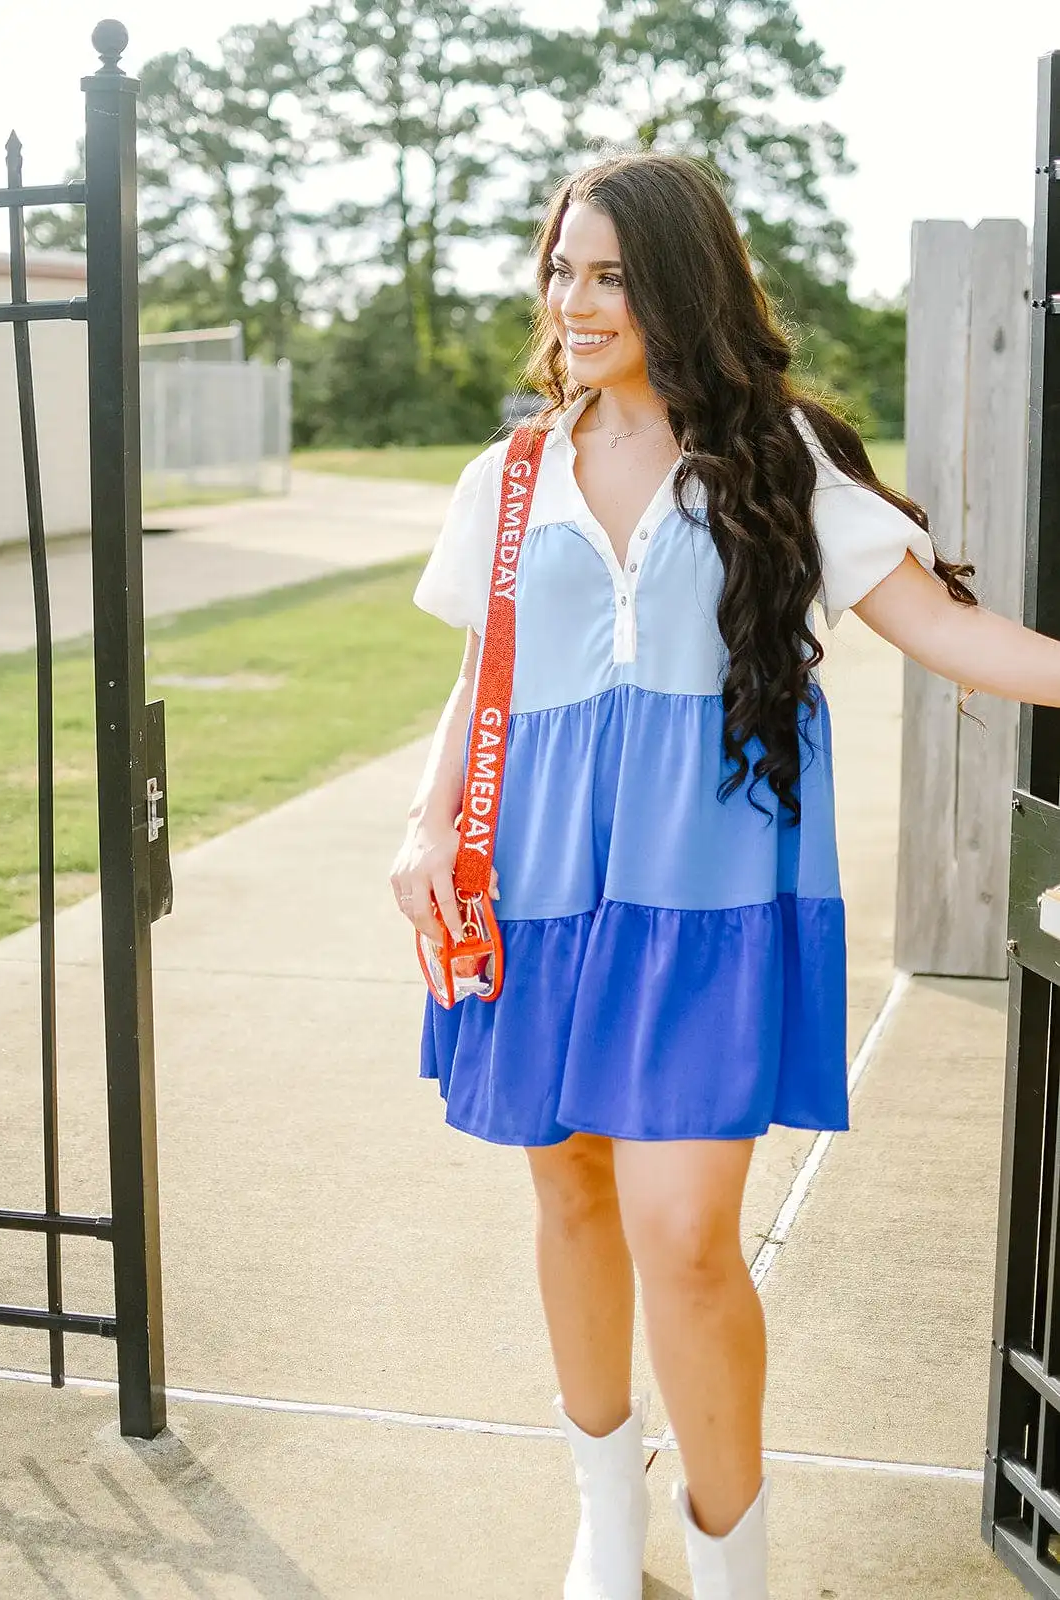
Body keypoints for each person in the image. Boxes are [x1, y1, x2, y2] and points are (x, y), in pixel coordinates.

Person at [389, 151, 1060, 1600]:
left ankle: (730, 1560)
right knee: (566, 1199)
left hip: (707, 904)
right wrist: (425, 822)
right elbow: (480, 675)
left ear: (682, 282)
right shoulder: (509, 476)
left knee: (686, 1239)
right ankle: (604, 1514)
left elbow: (943, 635)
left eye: (610, 273)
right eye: (561, 266)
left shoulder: (776, 462)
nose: (573, 299)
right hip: (537, 891)